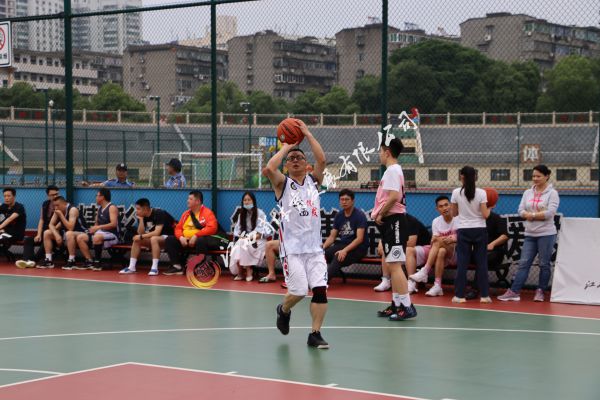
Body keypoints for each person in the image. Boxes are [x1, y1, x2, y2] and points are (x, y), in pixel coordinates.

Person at [263, 120, 330, 349]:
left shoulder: (314, 181)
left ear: (306, 164)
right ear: (287, 165)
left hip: (315, 249)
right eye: (291, 159)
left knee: (320, 290)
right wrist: (287, 146)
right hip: (292, 249)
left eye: (299, 157)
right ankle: (283, 309)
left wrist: (307, 134)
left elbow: (322, 160)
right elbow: (270, 168)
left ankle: (315, 334)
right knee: (300, 291)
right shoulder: (282, 184)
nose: (294, 160)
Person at [498, 165, 560, 302]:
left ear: (547, 176)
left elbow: (550, 213)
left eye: (538, 176)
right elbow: (520, 210)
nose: (535, 178)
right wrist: (536, 214)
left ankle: (540, 291)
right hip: (530, 234)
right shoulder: (527, 192)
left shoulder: (552, 193)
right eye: (533, 176)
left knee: (544, 264)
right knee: (524, 263)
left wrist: (530, 215)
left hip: (546, 234)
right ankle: (514, 291)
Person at [373, 138, 417, 321]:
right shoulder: (393, 170)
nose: (379, 155)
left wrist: (380, 213)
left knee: (395, 265)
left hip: (394, 221)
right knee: (392, 265)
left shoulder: (392, 170)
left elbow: (394, 197)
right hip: (391, 221)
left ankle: (407, 306)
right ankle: (397, 304)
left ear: (387, 152)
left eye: (380, 151)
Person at [450, 166, 491, 303]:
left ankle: (459, 296)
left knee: (462, 264)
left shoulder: (456, 192)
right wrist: (490, 208)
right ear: (476, 177)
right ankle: (485, 296)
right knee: (482, 263)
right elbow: (485, 215)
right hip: (479, 229)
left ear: (461, 177)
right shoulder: (482, 193)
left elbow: (454, 213)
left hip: (464, 229)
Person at [164, 190, 229, 275]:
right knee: (170, 239)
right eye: (188, 199)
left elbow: (212, 228)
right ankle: (177, 267)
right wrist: (181, 237)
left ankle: (202, 267)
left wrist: (196, 236)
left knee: (200, 240)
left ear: (197, 201)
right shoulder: (186, 214)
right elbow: (178, 228)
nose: (187, 201)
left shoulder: (207, 213)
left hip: (203, 241)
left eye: (190, 199)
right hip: (186, 241)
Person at [409, 196, 459, 297]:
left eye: (446, 205)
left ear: (450, 205)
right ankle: (437, 286)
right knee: (439, 250)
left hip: (455, 253)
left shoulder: (458, 219)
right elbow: (434, 241)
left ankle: (425, 271)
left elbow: (461, 239)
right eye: (441, 206)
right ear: (437, 209)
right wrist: (438, 240)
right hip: (440, 251)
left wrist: (453, 239)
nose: (444, 208)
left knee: (438, 242)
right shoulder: (436, 221)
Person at [374, 213, 430, 293]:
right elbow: (381, 245)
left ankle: (411, 282)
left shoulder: (410, 220)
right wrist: (386, 246)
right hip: (403, 248)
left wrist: (392, 245)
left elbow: (411, 243)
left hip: (420, 249)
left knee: (407, 250)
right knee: (386, 250)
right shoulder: (388, 221)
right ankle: (386, 281)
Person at [119, 198, 175, 276]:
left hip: (170, 239)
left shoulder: (159, 213)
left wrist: (141, 236)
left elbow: (157, 232)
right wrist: (141, 221)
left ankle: (154, 268)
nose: (136, 211)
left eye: (138, 209)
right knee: (137, 240)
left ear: (145, 209)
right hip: (156, 240)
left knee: (153, 238)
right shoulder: (142, 216)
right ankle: (131, 267)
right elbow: (140, 233)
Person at [69, 188, 121, 271]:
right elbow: (96, 224)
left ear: (102, 197)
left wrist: (98, 227)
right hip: (100, 233)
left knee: (97, 237)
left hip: (113, 235)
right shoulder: (99, 208)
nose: (96, 197)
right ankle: (89, 261)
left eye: (97, 196)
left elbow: (113, 224)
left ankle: (97, 263)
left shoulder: (112, 207)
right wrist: (93, 229)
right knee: (80, 237)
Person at [322, 189, 368, 283]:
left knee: (338, 257)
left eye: (347, 199)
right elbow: (332, 237)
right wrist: (322, 249)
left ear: (352, 201)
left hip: (358, 248)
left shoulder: (359, 215)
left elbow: (359, 239)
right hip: (342, 245)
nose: (344, 202)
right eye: (342, 199)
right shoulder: (339, 215)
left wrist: (344, 251)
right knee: (322, 255)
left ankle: (322, 282)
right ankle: (313, 279)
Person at [465, 206, 509, 300]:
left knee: (482, 258)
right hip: (477, 252)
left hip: (494, 253)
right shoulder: (475, 220)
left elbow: (504, 236)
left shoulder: (497, 218)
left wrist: (492, 244)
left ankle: (474, 290)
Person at [38, 196, 88, 270]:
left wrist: (61, 215)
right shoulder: (58, 210)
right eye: (54, 206)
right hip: (67, 234)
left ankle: (72, 260)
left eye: (57, 205)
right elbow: (51, 224)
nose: (56, 208)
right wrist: (56, 235)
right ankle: (48, 260)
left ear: (64, 204)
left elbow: (70, 228)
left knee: (69, 233)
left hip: (81, 233)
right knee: (47, 233)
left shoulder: (72, 209)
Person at [15, 185, 59, 268]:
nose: (55, 196)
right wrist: (38, 234)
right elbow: (41, 220)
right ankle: (26, 260)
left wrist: (50, 232)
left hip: (55, 235)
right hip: (44, 232)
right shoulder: (45, 204)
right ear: (48, 195)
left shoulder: (61, 205)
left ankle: (32, 261)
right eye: (52, 195)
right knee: (28, 240)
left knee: (46, 241)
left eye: (57, 194)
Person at [229, 192, 269, 282]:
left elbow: (261, 233)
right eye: (245, 200)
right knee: (240, 244)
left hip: (259, 241)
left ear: (253, 201)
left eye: (249, 200)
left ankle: (247, 271)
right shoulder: (241, 214)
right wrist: (243, 238)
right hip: (245, 240)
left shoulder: (260, 213)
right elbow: (238, 232)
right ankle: (242, 271)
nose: (246, 202)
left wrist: (247, 238)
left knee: (243, 243)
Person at [0, 188, 26, 258]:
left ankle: (7, 254)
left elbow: (10, 219)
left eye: (8, 196)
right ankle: (6, 253)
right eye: (4, 196)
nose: (6, 198)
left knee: (2, 237)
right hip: (5, 231)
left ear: (14, 196)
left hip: (17, 234)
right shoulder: (4, 206)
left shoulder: (19, 207)